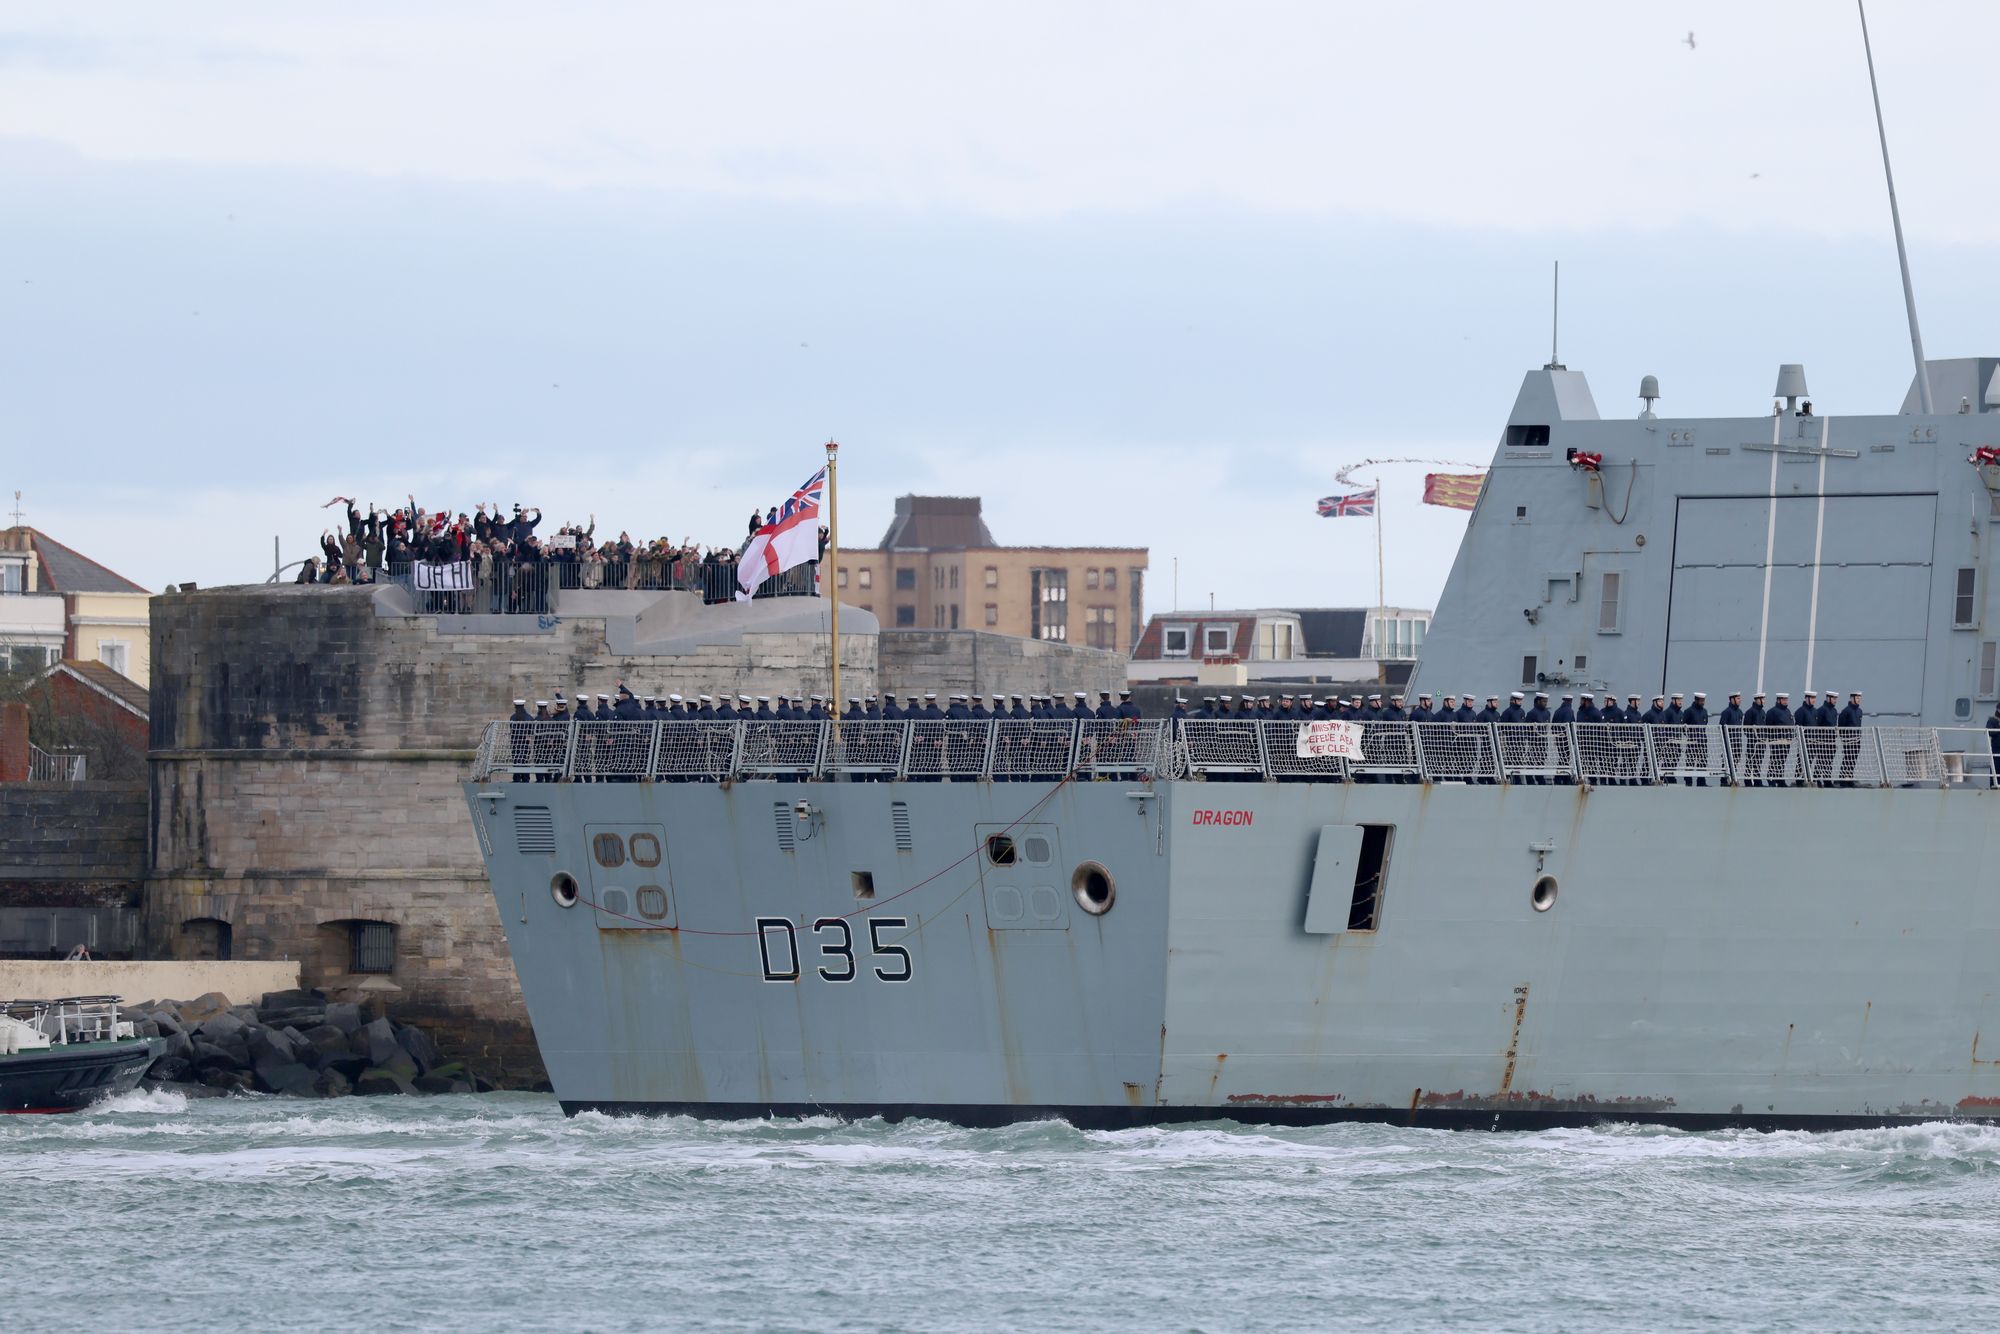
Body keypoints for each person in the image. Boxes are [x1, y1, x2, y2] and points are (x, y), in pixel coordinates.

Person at [1837, 690, 1864, 787]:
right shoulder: (1846, 711)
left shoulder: (1860, 711)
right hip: (1848, 740)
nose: (1858, 700)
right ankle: (1843, 778)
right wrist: (1844, 738)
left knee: (1853, 759)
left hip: (1857, 740)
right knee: (1847, 759)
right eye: (1857, 698)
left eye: (1859, 698)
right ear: (1852, 698)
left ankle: (1849, 777)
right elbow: (1841, 726)